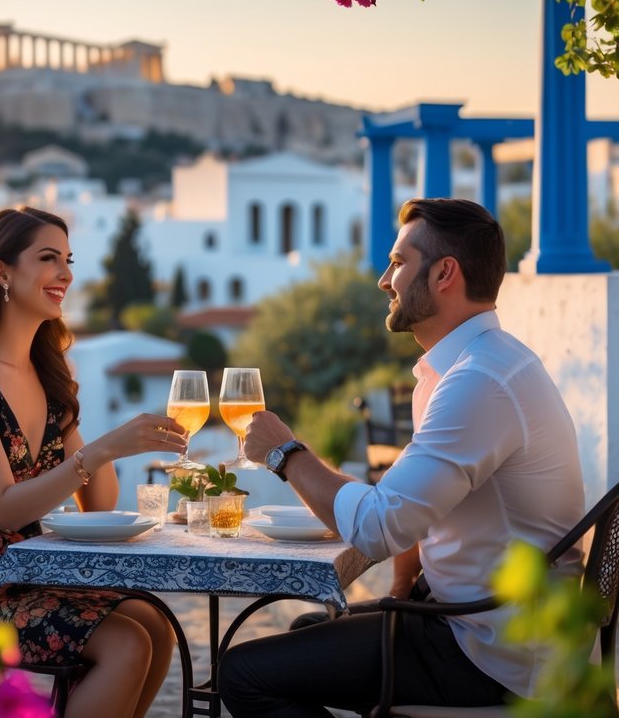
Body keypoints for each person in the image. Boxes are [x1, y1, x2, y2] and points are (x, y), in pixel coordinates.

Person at [219, 198, 586, 716]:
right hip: (480, 620)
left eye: (398, 262)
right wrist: (404, 580)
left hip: (494, 651)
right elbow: (409, 503)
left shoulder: (478, 383)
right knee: (309, 629)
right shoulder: (479, 366)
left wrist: (285, 453)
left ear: (444, 274)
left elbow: (376, 526)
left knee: (243, 674)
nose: (384, 279)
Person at [0, 206, 188, 718]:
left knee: (155, 626)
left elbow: (100, 501)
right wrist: (104, 448)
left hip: (26, 572)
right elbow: (7, 510)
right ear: (2, 271)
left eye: (68, 260)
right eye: (49, 258)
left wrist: (106, 446)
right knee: (127, 644)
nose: (66, 275)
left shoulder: (44, 369)